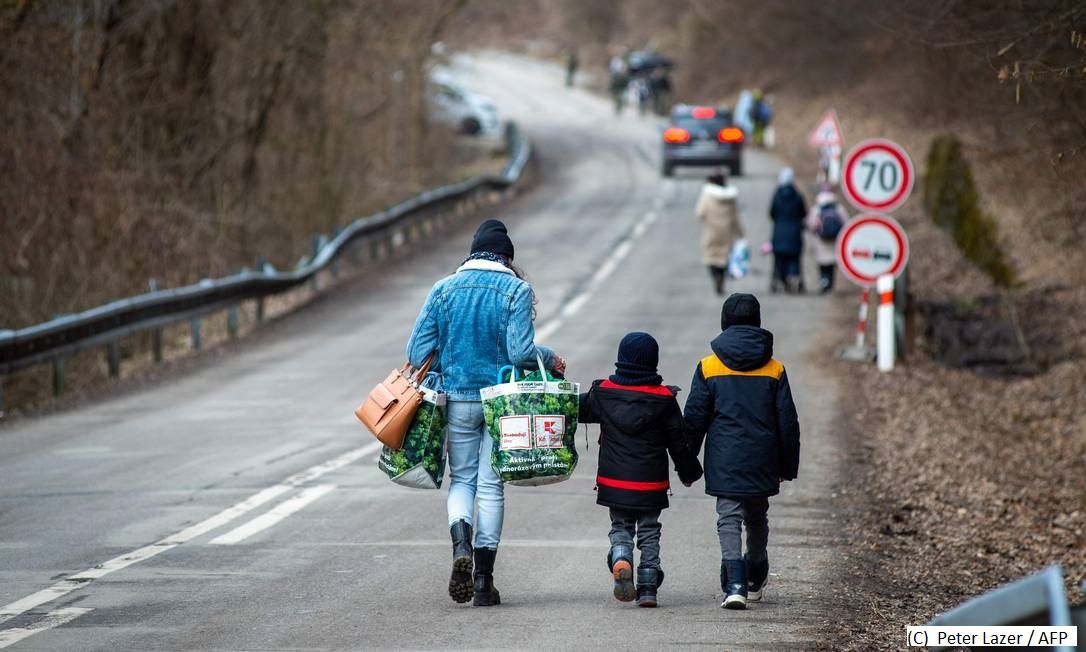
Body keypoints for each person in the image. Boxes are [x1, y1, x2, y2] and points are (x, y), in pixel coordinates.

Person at [406, 219, 566, 607]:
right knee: (492, 486)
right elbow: (522, 355)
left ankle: (460, 544)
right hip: (502, 404)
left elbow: (415, 354)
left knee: (462, 481)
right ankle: (483, 581)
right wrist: (549, 358)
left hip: (457, 399)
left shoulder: (442, 290)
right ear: (507, 258)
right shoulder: (516, 289)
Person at [682, 293, 801, 610]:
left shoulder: (708, 366)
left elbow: (694, 419)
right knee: (757, 514)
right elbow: (787, 422)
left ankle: (734, 582)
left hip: (725, 456)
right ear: (758, 323)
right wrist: (787, 466)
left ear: (724, 323)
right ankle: (756, 571)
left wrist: (686, 462)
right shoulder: (775, 369)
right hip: (763, 456)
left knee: (729, 517)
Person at [578, 332, 702, 608]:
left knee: (621, 526)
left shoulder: (603, 393)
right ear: (653, 363)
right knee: (649, 530)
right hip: (651, 484)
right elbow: (678, 443)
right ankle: (647, 587)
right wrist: (689, 472)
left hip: (614, 482)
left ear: (620, 360)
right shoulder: (665, 399)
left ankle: (621, 556)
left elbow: (575, 408)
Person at [695, 171, 744, 296]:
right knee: (724, 257)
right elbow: (735, 217)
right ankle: (721, 278)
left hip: (711, 232)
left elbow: (700, 213)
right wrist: (740, 233)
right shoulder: (730, 198)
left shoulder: (707, 196)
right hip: (726, 233)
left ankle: (715, 277)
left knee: (711, 257)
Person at [769, 167, 807, 293]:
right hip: (795, 233)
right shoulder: (798, 196)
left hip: (779, 232)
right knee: (794, 259)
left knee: (779, 260)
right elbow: (804, 213)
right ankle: (793, 277)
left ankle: (780, 279)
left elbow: (771, 213)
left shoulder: (777, 195)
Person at [806, 187, 848, 294]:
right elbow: (846, 224)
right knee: (831, 265)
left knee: (822, 265)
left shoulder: (817, 208)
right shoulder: (839, 208)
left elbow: (811, 225)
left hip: (820, 242)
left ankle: (824, 281)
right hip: (834, 241)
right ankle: (830, 284)